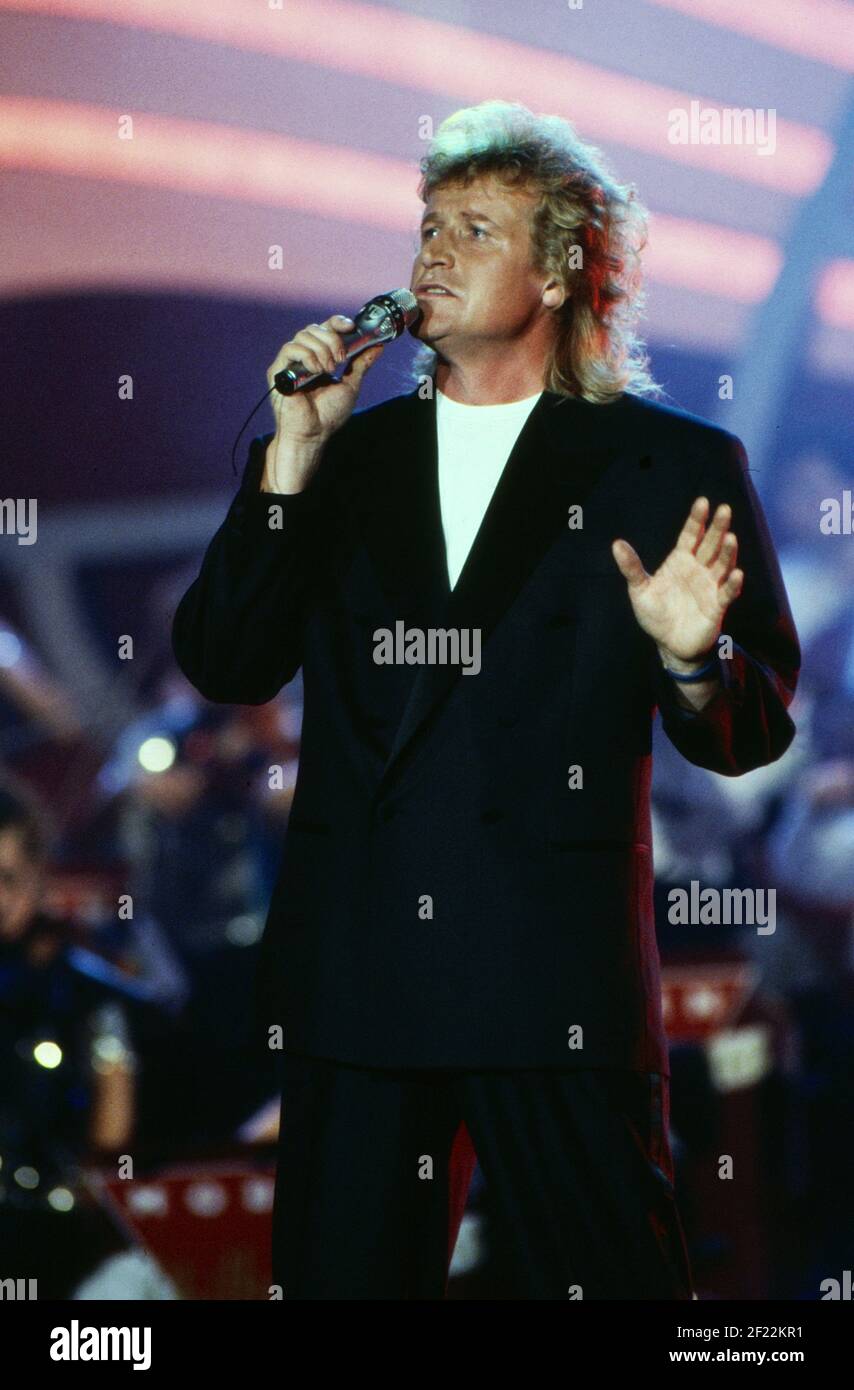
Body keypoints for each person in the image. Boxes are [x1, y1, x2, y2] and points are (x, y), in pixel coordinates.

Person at [171, 101, 800, 1299]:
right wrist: (287, 467)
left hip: (545, 968)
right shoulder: (346, 455)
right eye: (425, 226)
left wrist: (684, 659)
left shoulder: (667, 462)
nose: (432, 254)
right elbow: (227, 662)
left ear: (562, 269)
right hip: (359, 968)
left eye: (473, 227)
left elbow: (748, 724)